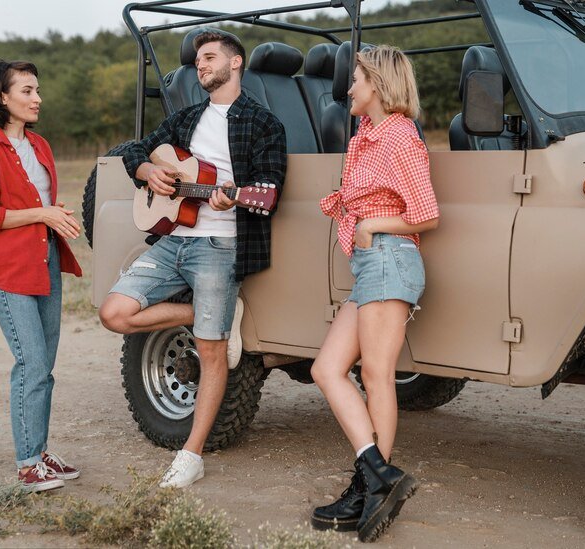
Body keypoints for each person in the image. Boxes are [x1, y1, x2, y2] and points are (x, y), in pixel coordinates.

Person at [98, 29, 287, 489]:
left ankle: (191, 453)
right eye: (198, 59)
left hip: (218, 246)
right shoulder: (186, 118)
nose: (199, 66)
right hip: (172, 240)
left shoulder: (264, 124)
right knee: (114, 313)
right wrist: (148, 172)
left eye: (209, 58)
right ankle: (219, 316)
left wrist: (233, 199)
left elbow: (270, 192)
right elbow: (135, 151)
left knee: (210, 351)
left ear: (235, 63)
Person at [311, 45, 440, 542]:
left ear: (380, 85)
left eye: (357, 79)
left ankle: (370, 488)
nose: (348, 88)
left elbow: (427, 213)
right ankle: (377, 477)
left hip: (390, 256)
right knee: (327, 369)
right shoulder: (367, 134)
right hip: (372, 263)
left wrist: (370, 222)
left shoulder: (401, 137)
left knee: (376, 374)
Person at [0, 60, 83, 492]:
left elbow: (40, 202)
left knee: (45, 367)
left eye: (37, 90)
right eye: (28, 90)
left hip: (46, 264)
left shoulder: (41, 145)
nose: (37, 98)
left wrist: (56, 219)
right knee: (31, 363)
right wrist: (42, 213)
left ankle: (40, 448)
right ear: (3, 97)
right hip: (10, 272)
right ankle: (27, 463)